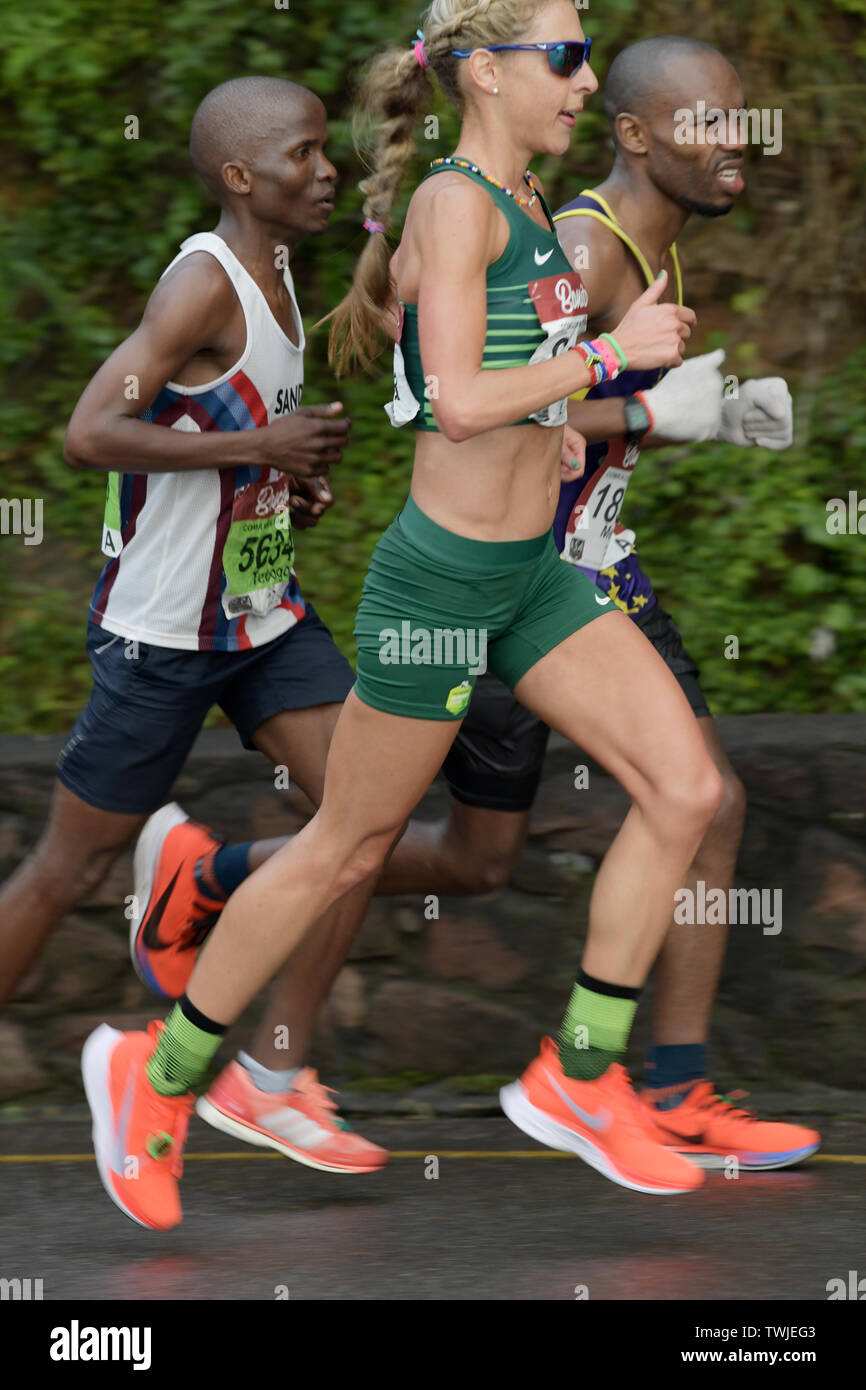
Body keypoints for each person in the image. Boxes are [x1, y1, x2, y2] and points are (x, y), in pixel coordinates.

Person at [82, 0, 729, 1233]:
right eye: (565, 55)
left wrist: (646, 405)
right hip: (440, 586)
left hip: (533, 578)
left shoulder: (532, 205)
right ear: (484, 72)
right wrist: (615, 360)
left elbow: (506, 398)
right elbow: (460, 405)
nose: (584, 81)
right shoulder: (456, 201)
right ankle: (155, 1075)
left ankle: (579, 1074)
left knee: (688, 791)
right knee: (348, 848)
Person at [0, 75, 404, 1178]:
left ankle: (269, 1072)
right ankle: (188, 886)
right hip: (162, 637)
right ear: (239, 177)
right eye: (304, 155)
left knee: (360, 824)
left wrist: (287, 485)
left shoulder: (279, 268)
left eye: (328, 151)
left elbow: (226, 429)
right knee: (64, 870)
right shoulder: (201, 283)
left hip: (261, 618)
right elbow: (92, 433)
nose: (327, 171)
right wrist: (257, 454)